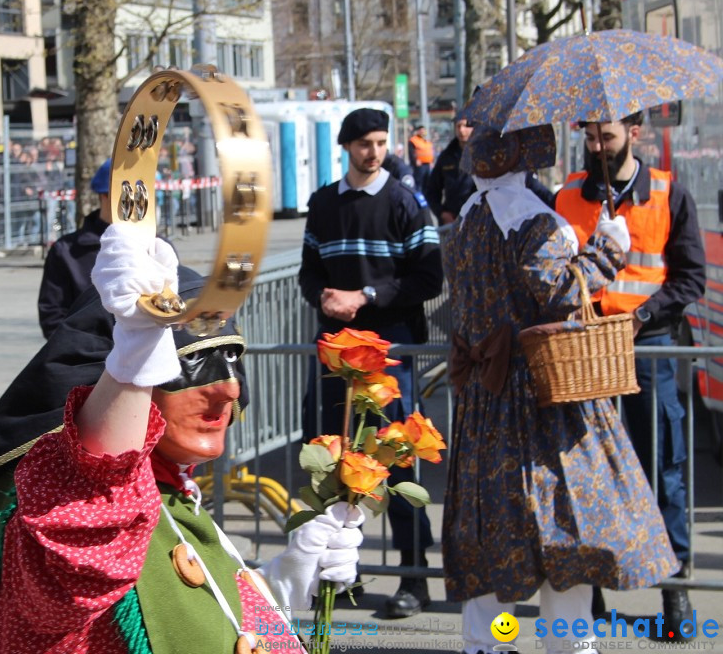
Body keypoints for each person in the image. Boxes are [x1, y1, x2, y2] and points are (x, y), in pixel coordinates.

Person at [0, 227, 365, 653]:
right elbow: (90, 523)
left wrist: (276, 588)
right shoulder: (54, 506)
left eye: (231, 357)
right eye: (194, 358)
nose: (230, 390)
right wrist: (136, 350)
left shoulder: (177, 496)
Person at [443, 124, 679, 654]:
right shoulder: (531, 220)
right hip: (542, 395)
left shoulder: (466, 222)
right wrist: (606, 251)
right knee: (562, 526)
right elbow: (561, 295)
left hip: (486, 397)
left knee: (493, 524)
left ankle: (485, 643)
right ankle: (568, 646)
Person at [554, 112, 705, 637]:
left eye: (608, 136)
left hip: (649, 349)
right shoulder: (568, 194)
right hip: (586, 355)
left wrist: (640, 317)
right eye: (590, 136)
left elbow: (690, 279)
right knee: (585, 475)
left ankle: (675, 590)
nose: (598, 146)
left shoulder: (667, 193)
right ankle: (589, 593)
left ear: (633, 133)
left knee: (663, 466)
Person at [298, 107, 444, 619]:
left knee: (395, 461)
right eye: (364, 143)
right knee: (335, 463)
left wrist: (366, 296)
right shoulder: (322, 204)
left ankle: (413, 576)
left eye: (381, 142)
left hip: (390, 354)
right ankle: (340, 577)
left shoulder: (405, 202)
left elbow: (429, 279)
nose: (374, 152)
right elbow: (308, 272)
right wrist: (325, 299)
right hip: (337, 355)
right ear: (346, 147)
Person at [36, 159, 112, 339]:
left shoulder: (158, 247)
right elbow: (52, 317)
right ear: (104, 196)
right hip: (89, 361)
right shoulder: (66, 252)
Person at [407, 123, 434, 194]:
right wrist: (415, 160)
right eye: (421, 130)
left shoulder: (426, 142)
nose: (422, 132)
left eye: (424, 130)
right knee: (419, 184)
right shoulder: (414, 140)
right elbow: (411, 152)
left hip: (427, 165)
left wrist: (431, 162)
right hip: (420, 165)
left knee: (427, 183)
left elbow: (430, 152)